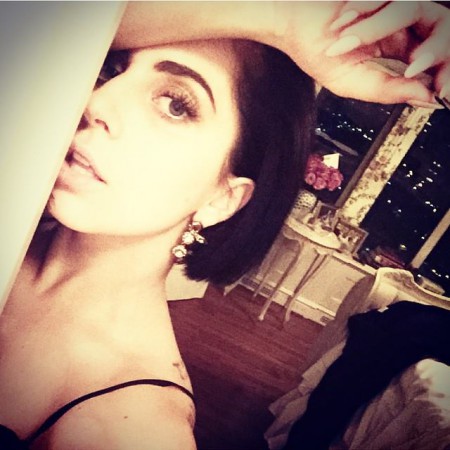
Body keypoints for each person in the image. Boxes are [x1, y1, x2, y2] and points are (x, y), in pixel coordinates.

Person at [0, 2, 449, 449]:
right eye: (110, 70)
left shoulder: (128, 426)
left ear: (222, 199)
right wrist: (288, 20)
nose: (95, 101)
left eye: (176, 104)